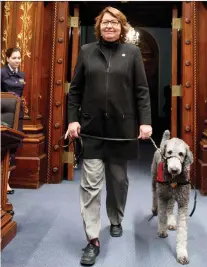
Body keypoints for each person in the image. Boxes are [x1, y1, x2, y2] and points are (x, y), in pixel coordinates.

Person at [66, 6, 152, 266]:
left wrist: (145, 122)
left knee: (118, 182)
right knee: (90, 185)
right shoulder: (86, 52)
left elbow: (142, 91)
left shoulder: (133, 53)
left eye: (114, 22)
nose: (110, 26)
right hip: (91, 130)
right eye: (105, 23)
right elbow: (75, 90)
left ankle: (116, 218)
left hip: (122, 131)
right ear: (99, 26)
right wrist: (72, 119)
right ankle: (92, 239)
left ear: (122, 26)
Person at [1, 47, 25, 194]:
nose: (17, 60)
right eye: (14, 58)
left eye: (19, 58)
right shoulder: (2, 73)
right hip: (3, 115)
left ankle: (6, 183)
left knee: (13, 147)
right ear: (7, 58)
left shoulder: (22, 74)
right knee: (2, 147)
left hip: (17, 115)